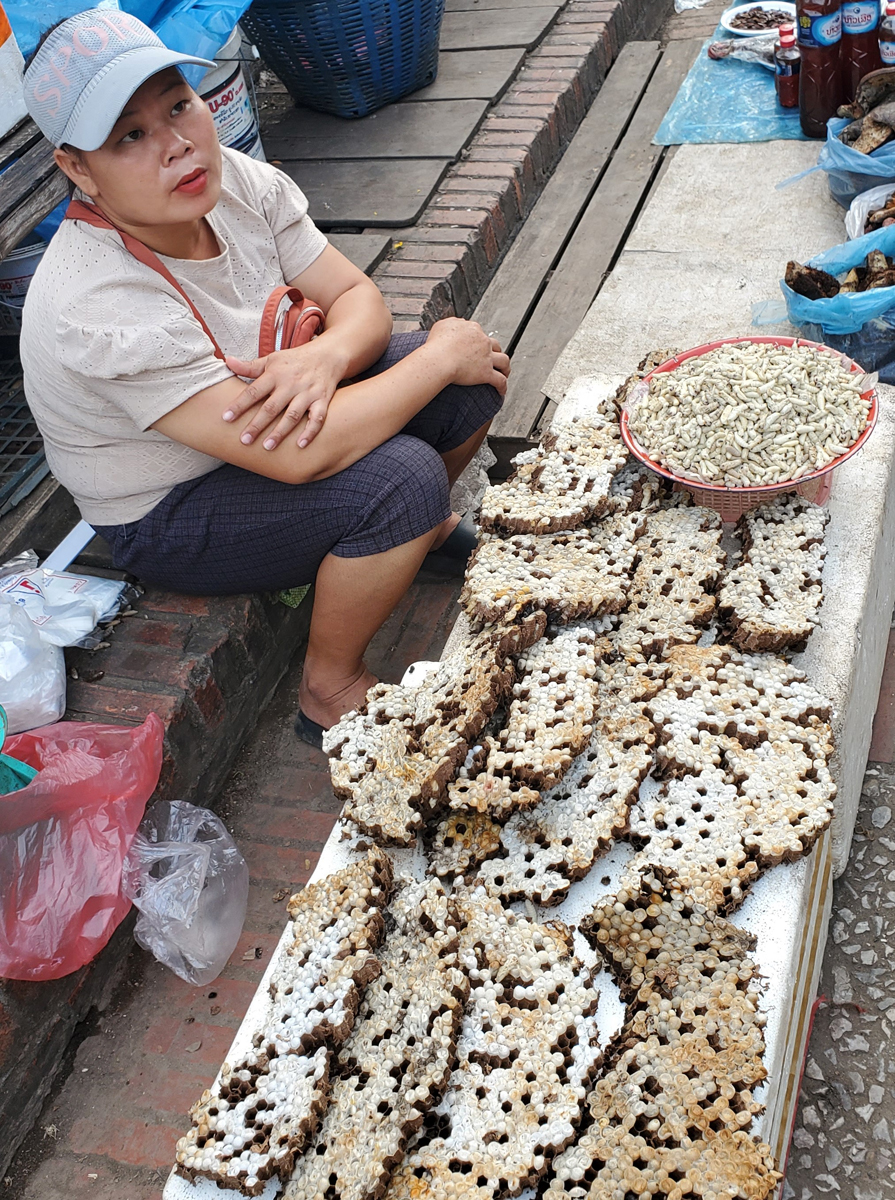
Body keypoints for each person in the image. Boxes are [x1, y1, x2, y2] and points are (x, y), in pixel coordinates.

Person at [19, 9, 509, 747]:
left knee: (470, 382)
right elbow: (300, 456)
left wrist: (324, 357)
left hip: (262, 425)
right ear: (78, 169)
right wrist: (437, 352)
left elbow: (356, 300)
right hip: (168, 508)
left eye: (177, 104)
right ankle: (328, 688)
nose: (177, 145)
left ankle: (413, 534)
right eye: (130, 136)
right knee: (404, 466)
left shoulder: (231, 180)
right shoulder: (96, 303)